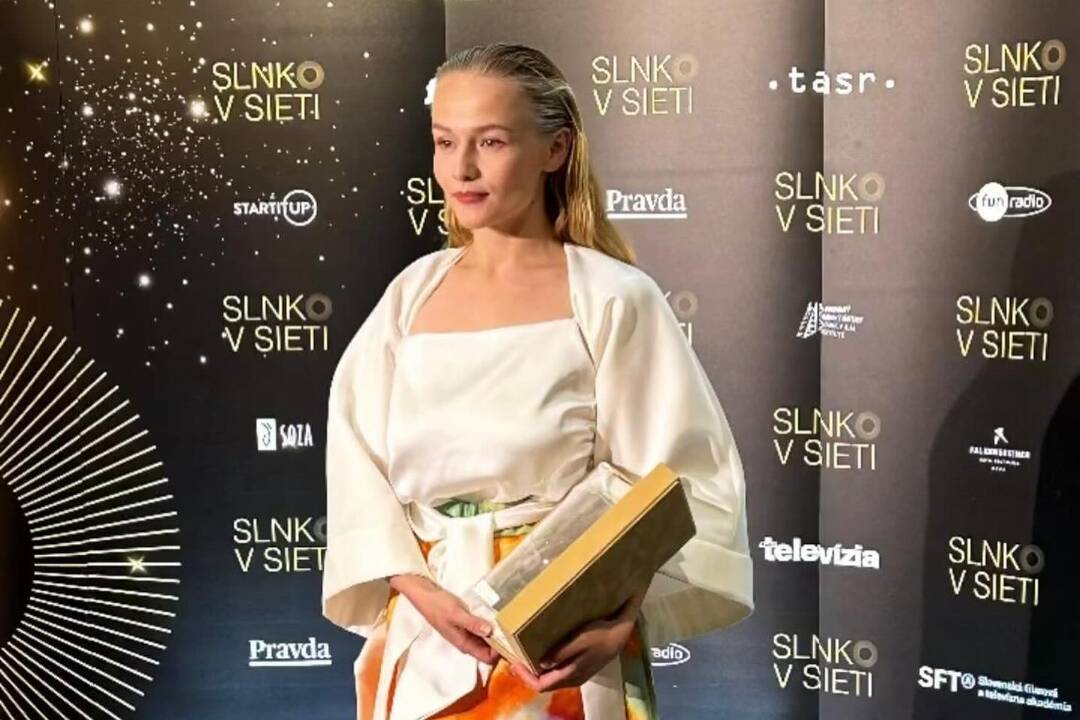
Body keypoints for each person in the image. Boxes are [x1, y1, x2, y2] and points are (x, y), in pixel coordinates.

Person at [321, 42, 754, 720]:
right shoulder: (410, 296)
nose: (461, 169)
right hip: (424, 637)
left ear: (555, 149)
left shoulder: (613, 297)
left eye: (491, 142)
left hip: (562, 637)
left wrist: (622, 616)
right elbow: (357, 465)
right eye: (445, 142)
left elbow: (681, 482)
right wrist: (418, 590)